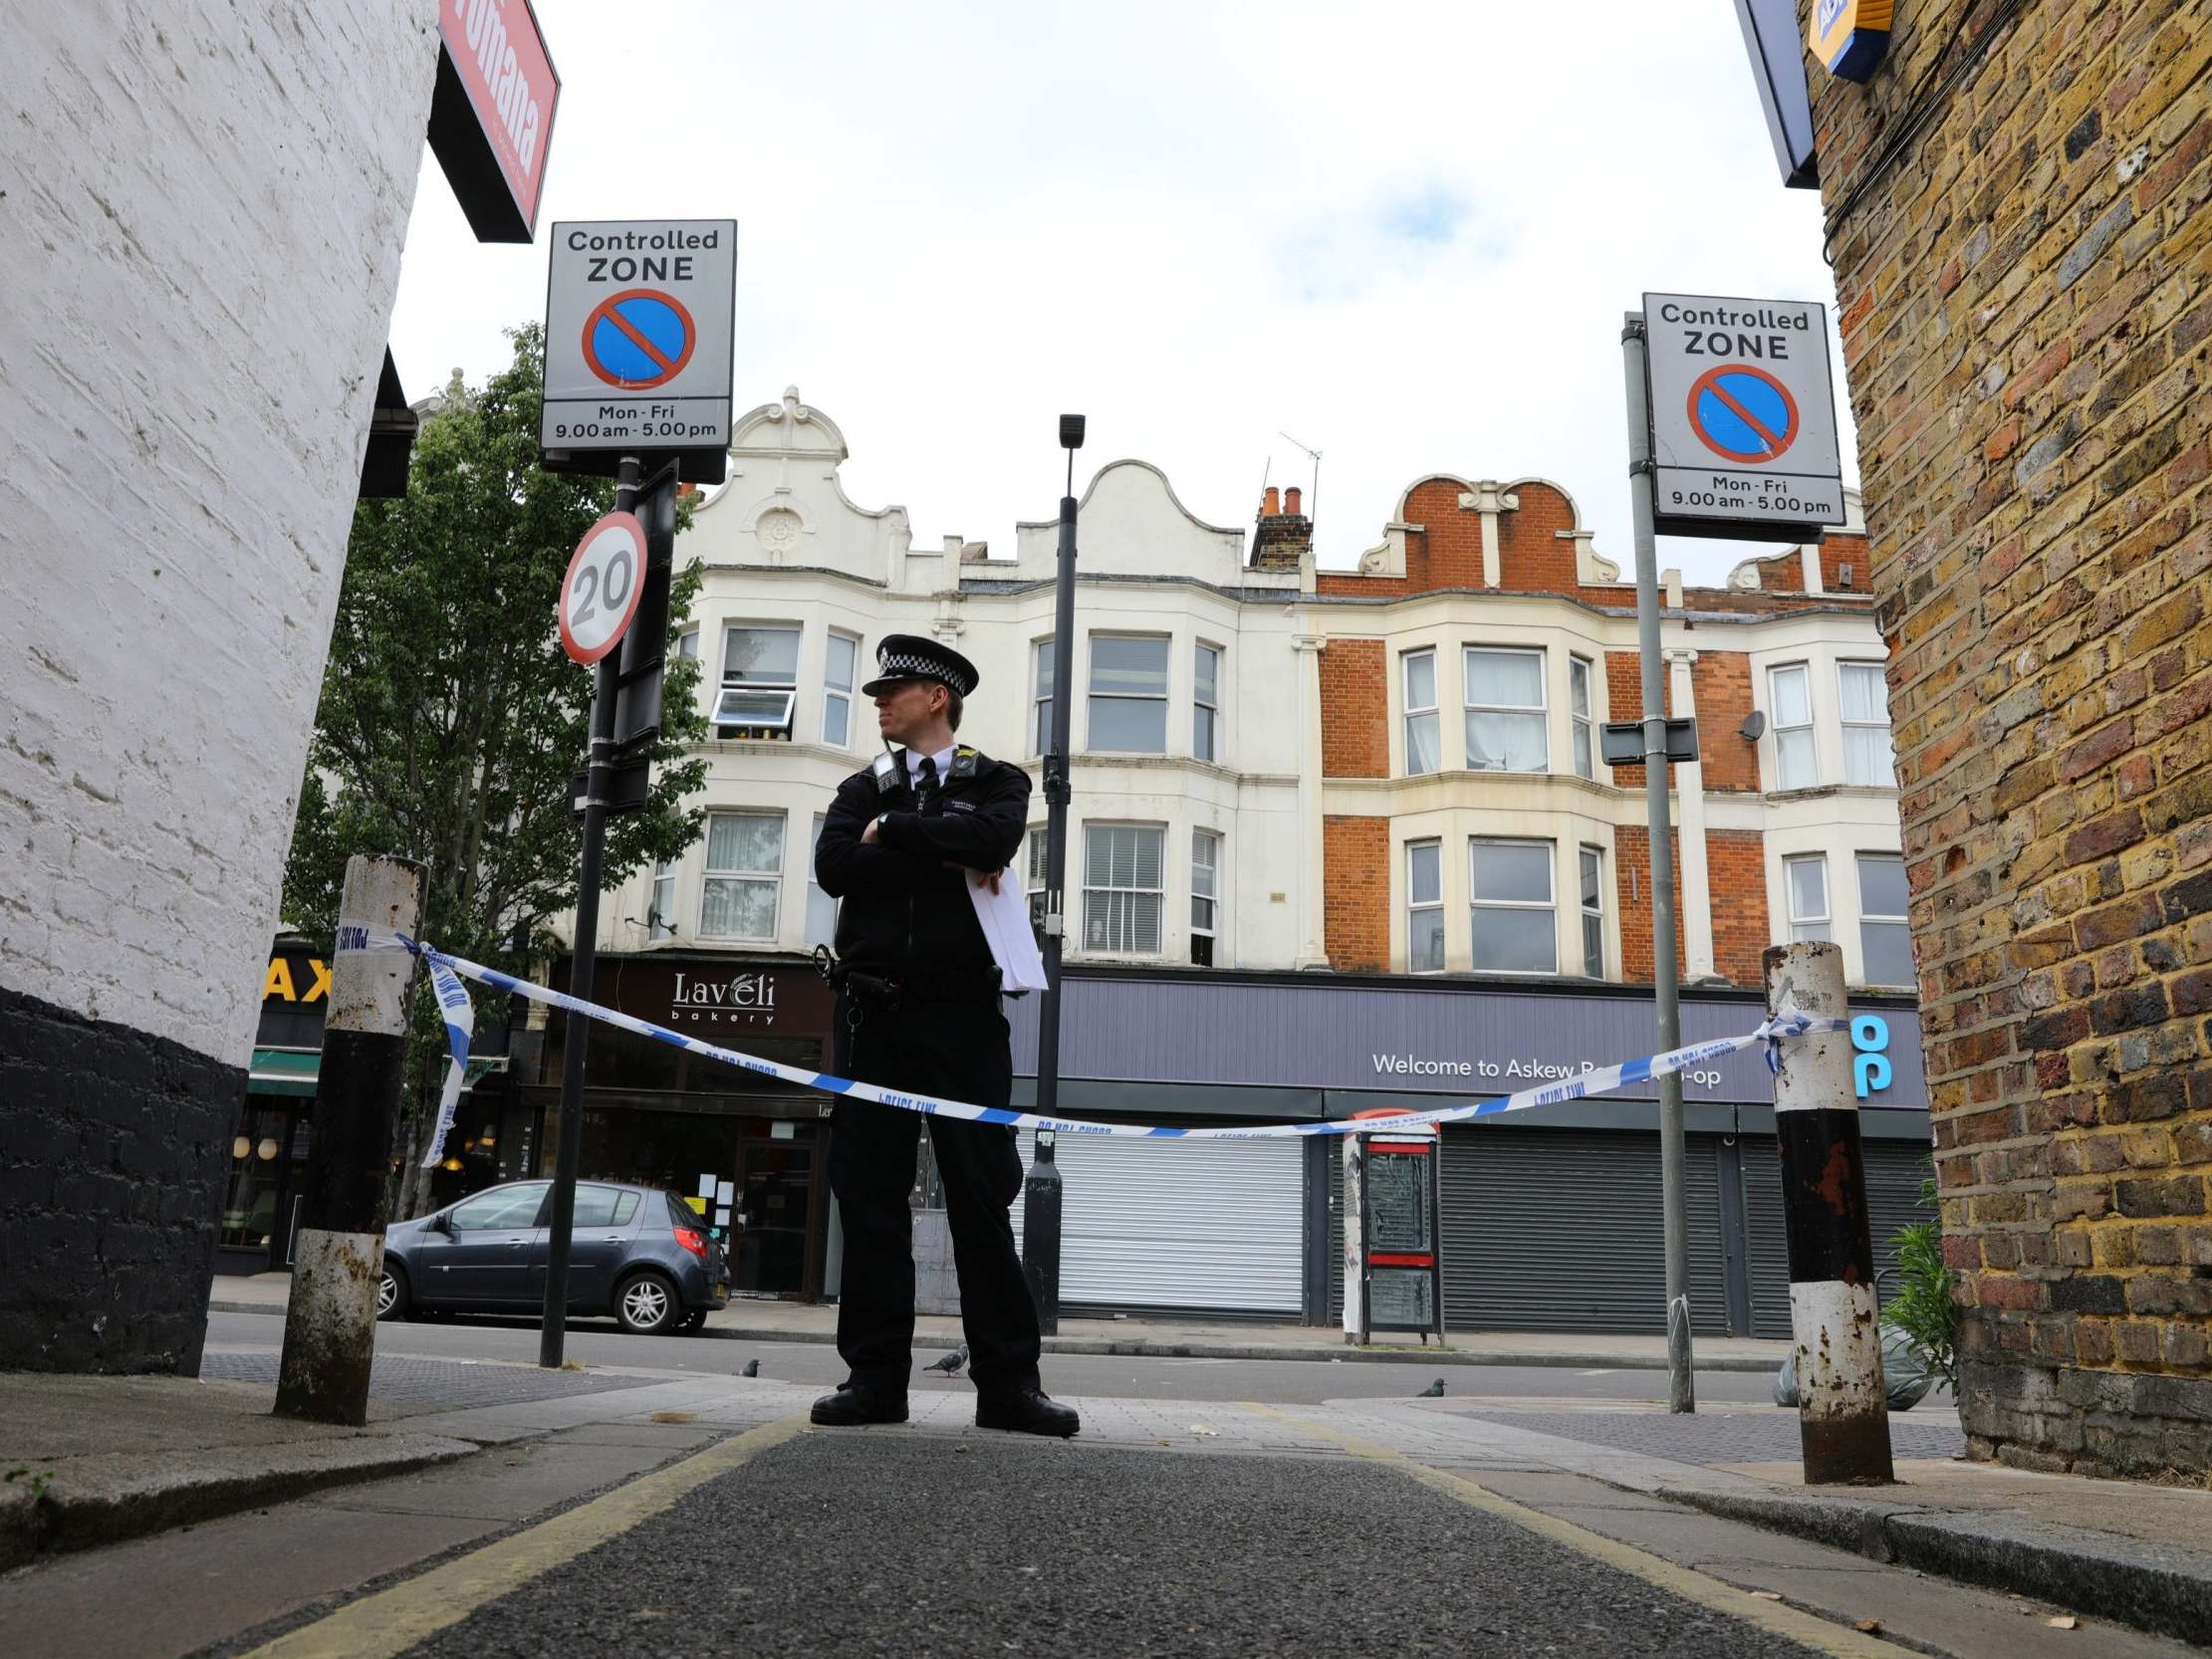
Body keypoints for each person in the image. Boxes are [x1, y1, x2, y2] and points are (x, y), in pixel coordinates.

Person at [810, 634, 1080, 1439]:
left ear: (936, 696)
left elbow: (991, 843)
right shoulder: (859, 787)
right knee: (869, 1199)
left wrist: (890, 836)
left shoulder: (996, 781)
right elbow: (833, 868)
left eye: (892, 692)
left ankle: (1007, 1389)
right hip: (869, 1017)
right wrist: (938, 850)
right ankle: (874, 1381)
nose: (879, 705)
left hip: (962, 1017)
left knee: (979, 1198)